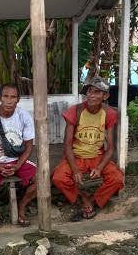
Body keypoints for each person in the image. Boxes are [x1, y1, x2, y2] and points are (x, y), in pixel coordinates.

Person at [51, 76, 124, 220]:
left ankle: (92, 202)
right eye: (90, 91)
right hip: (76, 157)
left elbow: (110, 148)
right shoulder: (75, 111)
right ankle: (82, 199)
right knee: (59, 178)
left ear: (105, 96)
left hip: (97, 157)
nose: (91, 95)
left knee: (117, 178)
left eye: (97, 92)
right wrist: (75, 169)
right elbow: (67, 145)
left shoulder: (109, 114)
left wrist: (100, 167)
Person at [0, 84, 37, 230]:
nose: (9, 101)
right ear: (0, 98)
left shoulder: (24, 116)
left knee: (42, 179)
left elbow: (29, 145)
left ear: (18, 100)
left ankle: (22, 208)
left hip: (17, 159)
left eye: (13, 97)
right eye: (6, 96)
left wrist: (17, 165)